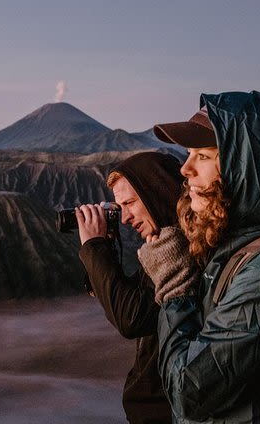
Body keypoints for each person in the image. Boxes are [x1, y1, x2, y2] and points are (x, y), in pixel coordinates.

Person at [138, 91, 260, 423]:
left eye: (203, 156)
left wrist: (175, 288)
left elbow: (190, 392)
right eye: (188, 154)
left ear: (247, 168)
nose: (185, 169)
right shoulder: (234, 250)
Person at [76, 151, 187, 424]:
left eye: (129, 203)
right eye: (119, 206)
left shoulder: (180, 253)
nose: (124, 217)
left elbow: (131, 317)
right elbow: (134, 301)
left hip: (164, 413)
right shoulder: (160, 249)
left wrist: (94, 248)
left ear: (156, 194)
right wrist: (107, 250)